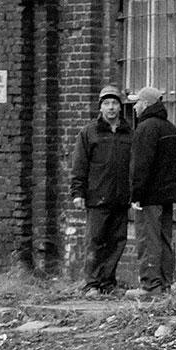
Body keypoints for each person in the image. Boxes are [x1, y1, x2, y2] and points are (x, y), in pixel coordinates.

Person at [69, 85, 132, 297]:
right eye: (106, 103)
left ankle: (108, 282)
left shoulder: (129, 133)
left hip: (121, 197)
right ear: (100, 107)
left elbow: (134, 166)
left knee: (117, 241)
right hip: (97, 196)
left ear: (120, 107)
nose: (111, 107)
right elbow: (80, 164)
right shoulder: (89, 133)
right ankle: (92, 284)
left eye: (114, 103)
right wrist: (78, 192)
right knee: (95, 241)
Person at [127, 86, 176, 299]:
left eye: (137, 102)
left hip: (149, 196)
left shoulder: (145, 128)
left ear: (146, 104)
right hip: (166, 195)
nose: (134, 107)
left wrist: (136, 195)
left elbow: (141, 165)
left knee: (147, 239)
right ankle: (166, 283)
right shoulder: (169, 127)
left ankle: (150, 285)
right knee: (163, 239)